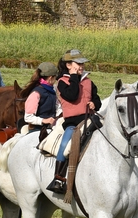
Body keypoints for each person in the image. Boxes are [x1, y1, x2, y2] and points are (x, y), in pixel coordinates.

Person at [47, 50, 101, 194]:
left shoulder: (89, 81)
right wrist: (74, 77)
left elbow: (97, 99)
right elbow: (72, 95)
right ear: (69, 65)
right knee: (65, 146)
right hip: (72, 123)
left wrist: (94, 104)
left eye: (83, 63)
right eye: (79, 63)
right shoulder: (62, 82)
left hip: (90, 119)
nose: (82, 66)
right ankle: (58, 178)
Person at [23, 62, 60, 132]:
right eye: (55, 78)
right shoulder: (36, 93)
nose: (56, 80)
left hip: (49, 128)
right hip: (36, 130)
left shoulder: (52, 90)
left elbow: (56, 107)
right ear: (50, 78)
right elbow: (28, 117)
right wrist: (44, 120)